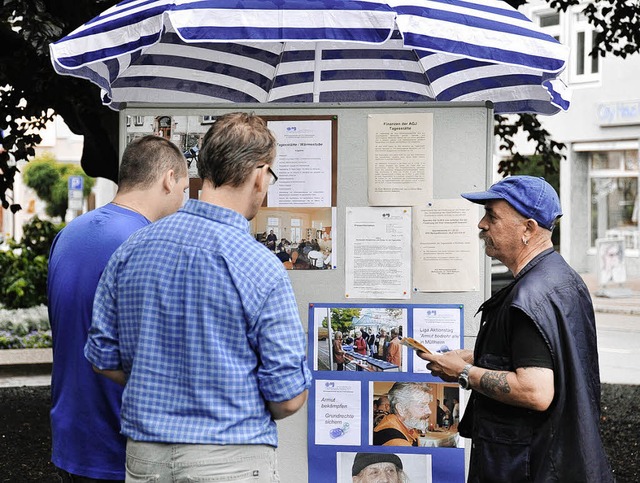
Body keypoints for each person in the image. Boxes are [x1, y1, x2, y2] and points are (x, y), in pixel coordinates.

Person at [85, 112, 312, 482]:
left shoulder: (131, 249)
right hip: (231, 461)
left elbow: (101, 359)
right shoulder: (260, 266)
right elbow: (287, 398)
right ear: (259, 175)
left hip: (146, 460)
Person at [418, 176, 613, 482]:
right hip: (565, 459)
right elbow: (547, 358)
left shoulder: (528, 297)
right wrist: (474, 357)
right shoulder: (562, 278)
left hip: (526, 466)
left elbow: (535, 390)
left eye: (492, 216)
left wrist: (464, 373)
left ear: (528, 229)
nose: (482, 225)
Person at [47, 135, 189, 482]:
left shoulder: (67, 235)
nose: (184, 200)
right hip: (125, 447)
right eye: (185, 188)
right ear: (169, 179)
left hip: (71, 438)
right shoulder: (149, 245)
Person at [373, 382, 432, 447]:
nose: (429, 411)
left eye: (428, 404)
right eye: (422, 406)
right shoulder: (396, 441)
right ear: (401, 409)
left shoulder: (406, 427)